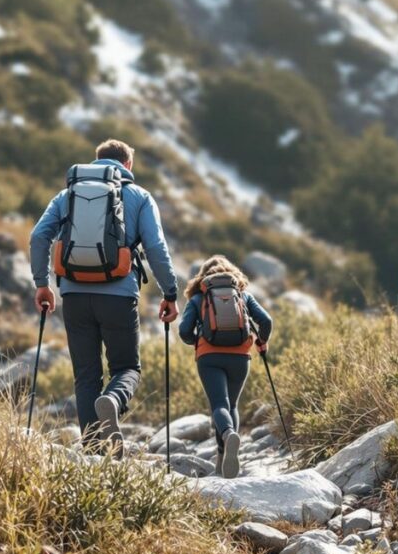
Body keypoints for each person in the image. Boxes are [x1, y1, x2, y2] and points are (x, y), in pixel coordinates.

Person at [30, 139, 179, 454]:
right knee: (127, 368)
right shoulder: (139, 196)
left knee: (86, 376)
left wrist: (42, 283)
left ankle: (95, 452)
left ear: (96, 161)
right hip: (118, 296)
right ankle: (112, 400)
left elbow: (39, 236)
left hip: (73, 295)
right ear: (128, 166)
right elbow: (156, 248)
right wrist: (170, 292)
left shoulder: (67, 194)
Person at [179, 255, 272, 478]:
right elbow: (266, 321)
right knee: (232, 405)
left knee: (219, 404)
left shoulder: (198, 299)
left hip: (209, 357)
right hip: (240, 356)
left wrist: (198, 340)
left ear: (203, 278)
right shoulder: (243, 295)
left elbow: (183, 331)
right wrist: (261, 341)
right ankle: (224, 458)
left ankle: (229, 435)